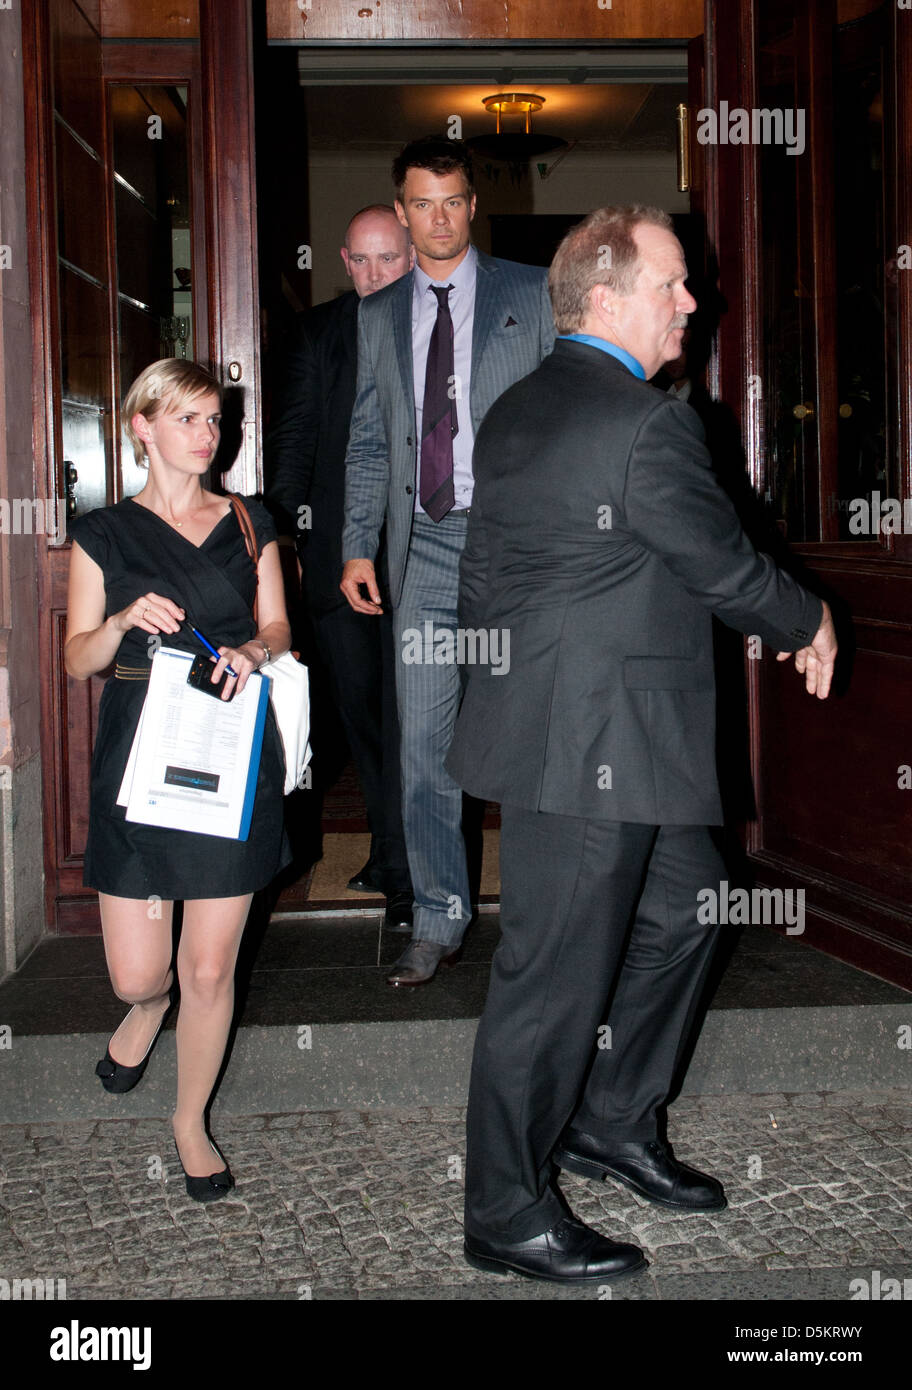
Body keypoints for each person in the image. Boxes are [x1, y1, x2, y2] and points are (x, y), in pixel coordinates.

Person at [445, 205, 838, 1284]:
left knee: (692, 905)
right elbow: (717, 562)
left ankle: (614, 1119)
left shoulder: (519, 407)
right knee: (552, 978)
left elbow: (487, 578)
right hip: (586, 745)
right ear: (608, 297)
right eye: (672, 283)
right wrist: (806, 618)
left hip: (590, 733)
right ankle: (504, 1208)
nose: (691, 300)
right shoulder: (641, 419)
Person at [65, 359, 292, 1202]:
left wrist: (253, 651)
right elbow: (77, 656)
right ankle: (146, 1012)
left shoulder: (245, 519)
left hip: (228, 753)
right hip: (139, 760)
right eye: (190, 419)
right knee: (138, 976)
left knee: (208, 969)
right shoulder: (105, 533)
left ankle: (190, 1120)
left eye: (215, 421)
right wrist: (122, 621)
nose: (208, 435)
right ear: (142, 427)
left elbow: (276, 624)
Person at [341, 136, 555, 986]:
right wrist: (358, 542)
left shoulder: (531, 294)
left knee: (537, 737)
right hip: (422, 551)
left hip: (514, 550)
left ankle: (547, 918)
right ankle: (437, 916)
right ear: (402, 211)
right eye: (421, 203)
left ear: (473, 206)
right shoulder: (377, 314)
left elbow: (566, 413)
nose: (438, 217)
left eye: (453, 201)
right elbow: (366, 439)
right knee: (424, 745)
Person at [266, 206, 415, 931]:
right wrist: (279, 547)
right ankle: (394, 857)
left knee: (422, 721)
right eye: (362, 261)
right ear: (344, 262)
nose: (376, 274)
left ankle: (414, 861)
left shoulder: (440, 330)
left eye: (390, 259)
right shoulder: (317, 332)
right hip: (336, 565)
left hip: (429, 564)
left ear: (414, 257)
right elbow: (293, 447)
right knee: (366, 721)